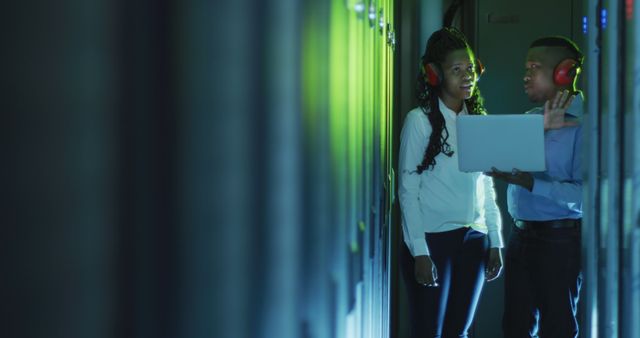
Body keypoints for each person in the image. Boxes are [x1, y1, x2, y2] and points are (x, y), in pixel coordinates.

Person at [398, 27, 504, 338]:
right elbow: (408, 189)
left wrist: (495, 240)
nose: (467, 76)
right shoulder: (418, 121)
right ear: (434, 75)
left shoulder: (478, 120)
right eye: (456, 70)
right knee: (428, 330)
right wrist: (420, 251)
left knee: (459, 331)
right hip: (433, 240)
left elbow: (486, 188)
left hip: (473, 239)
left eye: (470, 68)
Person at [486, 36, 584, 338]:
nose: (525, 74)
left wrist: (532, 183)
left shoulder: (587, 125)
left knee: (557, 329)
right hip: (521, 237)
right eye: (525, 67)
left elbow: (586, 197)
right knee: (515, 327)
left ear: (563, 73)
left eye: (534, 67)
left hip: (559, 241)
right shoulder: (529, 120)